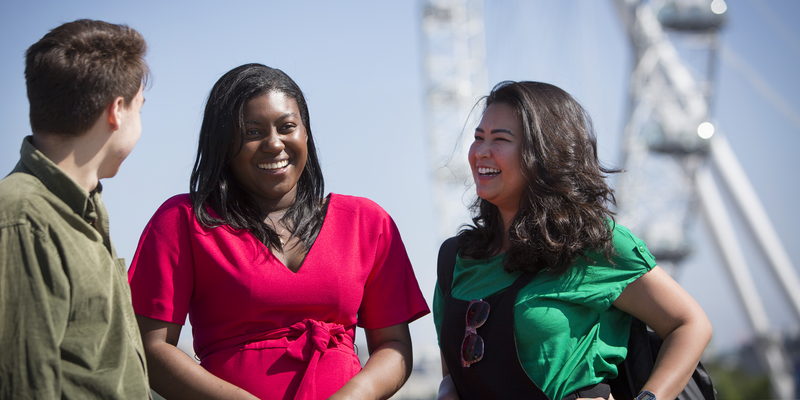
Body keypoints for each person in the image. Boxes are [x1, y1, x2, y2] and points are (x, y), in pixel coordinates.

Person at [127, 63, 430, 400]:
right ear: (223, 142)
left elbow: (394, 345)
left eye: (287, 126)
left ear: (306, 133)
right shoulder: (183, 220)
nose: (274, 144)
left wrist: (353, 396)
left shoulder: (367, 222)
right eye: (252, 131)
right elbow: (149, 347)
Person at [433, 81, 713, 400]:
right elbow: (454, 369)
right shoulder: (456, 258)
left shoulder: (594, 245)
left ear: (545, 153)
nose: (481, 151)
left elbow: (690, 324)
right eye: (478, 138)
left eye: (500, 139)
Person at [0, 19, 151, 399]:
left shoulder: (85, 209)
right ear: (117, 111)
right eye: (140, 107)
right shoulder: (22, 218)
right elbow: (25, 383)